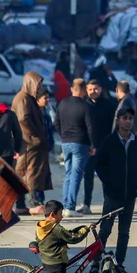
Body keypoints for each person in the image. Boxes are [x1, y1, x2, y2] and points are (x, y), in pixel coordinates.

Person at [93, 106, 137, 273]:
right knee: (105, 230)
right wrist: (108, 183)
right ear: (118, 120)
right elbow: (99, 164)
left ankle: (119, 263)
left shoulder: (136, 143)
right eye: (124, 118)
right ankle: (96, 262)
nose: (128, 121)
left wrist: (136, 187)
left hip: (129, 196)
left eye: (130, 118)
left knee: (124, 233)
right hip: (112, 195)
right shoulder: (109, 141)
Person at [13, 72, 51, 216]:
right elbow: (23, 119)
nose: (39, 87)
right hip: (29, 144)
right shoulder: (23, 99)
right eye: (38, 84)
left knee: (26, 174)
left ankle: (22, 205)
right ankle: (34, 204)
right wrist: (35, 137)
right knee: (30, 175)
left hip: (31, 144)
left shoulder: (28, 98)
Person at [56, 78, 94, 216]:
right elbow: (90, 127)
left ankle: (65, 205)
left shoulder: (62, 103)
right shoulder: (85, 106)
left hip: (66, 142)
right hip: (80, 143)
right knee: (76, 175)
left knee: (68, 174)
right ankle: (70, 207)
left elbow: (57, 123)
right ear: (84, 91)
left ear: (72, 89)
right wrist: (92, 144)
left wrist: (63, 136)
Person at [84, 79, 117, 213]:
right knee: (88, 176)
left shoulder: (110, 105)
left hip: (105, 147)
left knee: (106, 177)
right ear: (86, 90)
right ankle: (86, 204)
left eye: (96, 89)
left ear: (101, 89)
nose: (93, 92)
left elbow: (115, 126)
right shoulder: (84, 105)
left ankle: (108, 204)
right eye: (90, 89)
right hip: (89, 147)